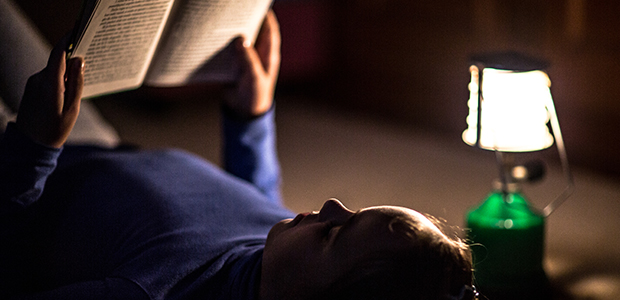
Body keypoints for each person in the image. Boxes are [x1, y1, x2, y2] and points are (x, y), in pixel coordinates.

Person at [0, 3, 476, 300]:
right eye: (352, 212)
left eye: (336, 234)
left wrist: (34, 149)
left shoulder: (155, 291)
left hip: (22, 173)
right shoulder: (285, 252)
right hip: (91, 141)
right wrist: (251, 117)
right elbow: (255, 202)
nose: (331, 205)